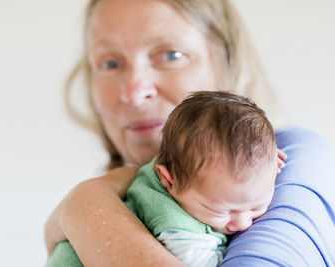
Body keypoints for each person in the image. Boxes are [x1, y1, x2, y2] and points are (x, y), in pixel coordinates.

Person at [44, 0, 335, 266]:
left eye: (171, 55)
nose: (134, 92)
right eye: (110, 63)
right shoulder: (130, 189)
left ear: (228, 60)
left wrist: (87, 209)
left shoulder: (299, 159)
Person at [46, 91, 286, 266]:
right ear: (169, 180)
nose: (243, 223)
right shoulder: (177, 229)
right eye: (222, 211)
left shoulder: (188, 165)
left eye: (256, 206)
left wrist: (262, 164)